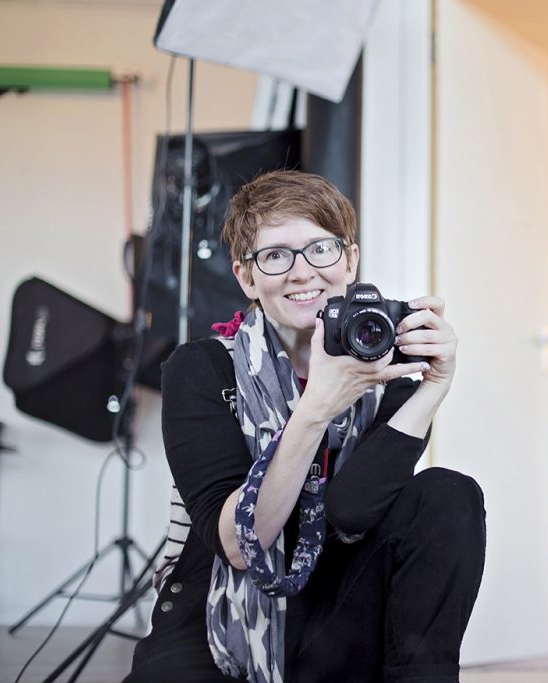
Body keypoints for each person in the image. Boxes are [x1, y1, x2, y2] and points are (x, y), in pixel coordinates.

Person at [126, 171, 486, 683]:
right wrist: (317, 406)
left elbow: (352, 510)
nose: (301, 272)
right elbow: (238, 544)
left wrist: (432, 387)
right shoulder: (202, 369)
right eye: (275, 255)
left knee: (449, 493)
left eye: (321, 249)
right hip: (216, 617)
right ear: (247, 277)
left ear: (350, 261)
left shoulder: (387, 366)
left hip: (334, 615)